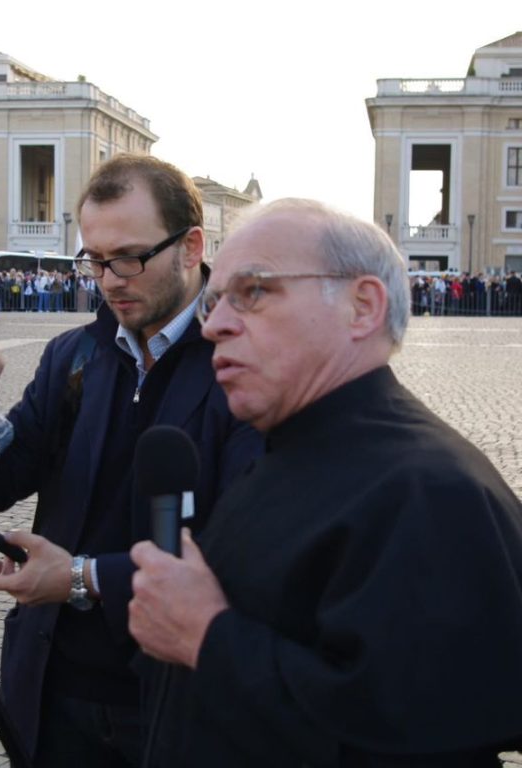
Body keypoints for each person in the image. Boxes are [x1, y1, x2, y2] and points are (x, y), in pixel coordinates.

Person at [129, 197, 522, 767]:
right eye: (215, 301)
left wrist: (207, 638)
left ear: (362, 306)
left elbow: (400, 739)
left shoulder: (430, 495)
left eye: (254, 291)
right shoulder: (290, 447)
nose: (213, 325)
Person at [0, 153, 262, 767]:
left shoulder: (242, 360)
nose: (109, 279)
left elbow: (240, 548)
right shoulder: (72, 355)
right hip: (54, 681)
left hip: (173, 690)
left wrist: (81, 576)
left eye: (130, 257)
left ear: (192, 246)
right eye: (95, 259)